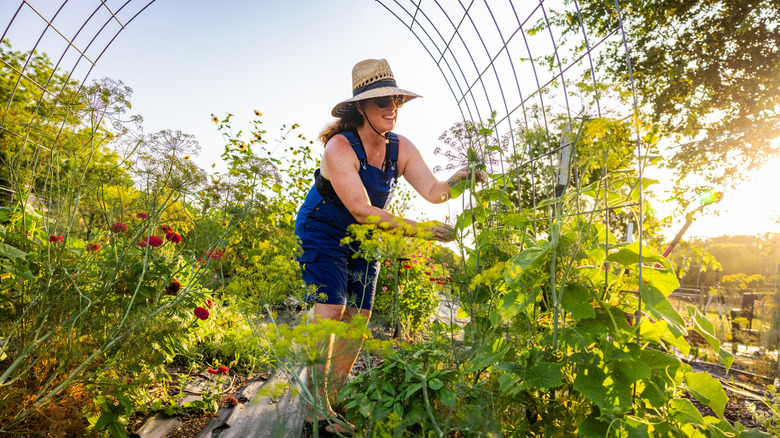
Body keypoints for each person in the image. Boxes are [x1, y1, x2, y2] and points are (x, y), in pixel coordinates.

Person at [295, 58, 484, 433]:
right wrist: (420, 230)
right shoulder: (340, 147)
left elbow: (433, 192)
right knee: (332, 311)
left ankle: (334, 398)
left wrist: (459, 180)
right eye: (382, 102)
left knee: (359, 319)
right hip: (324, 230)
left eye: (395, 101)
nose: (391, 108)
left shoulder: (401, 148)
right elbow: (363, 210)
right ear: (360, 107)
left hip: (366, 238)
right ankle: (313, 411)